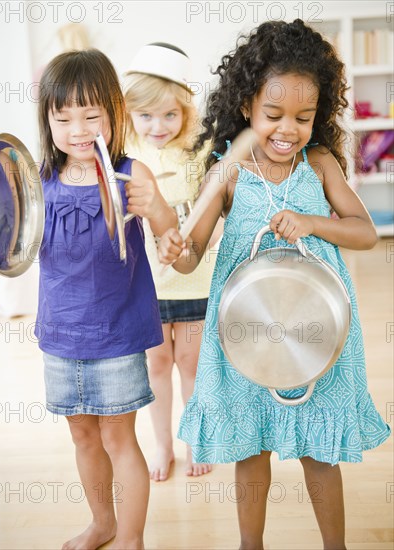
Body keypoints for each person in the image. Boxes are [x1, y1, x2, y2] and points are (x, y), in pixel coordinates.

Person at [158, 20, 391, 549]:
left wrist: (312, 222)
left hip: (315, 335)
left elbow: (365, 233)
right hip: (247, 337)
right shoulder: (229, 173)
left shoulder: (320, 163)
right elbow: (192, 254)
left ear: (319, 115)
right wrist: (179, 250)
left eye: (303, 118)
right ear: (245, 107)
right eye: (273, 115)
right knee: (250, 447)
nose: (288, 129)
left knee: (319, 452)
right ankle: (250, 544)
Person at [36, 49, 177, 550]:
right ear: (47, 120)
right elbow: (9, 239)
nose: (78, 129)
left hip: (116, 333)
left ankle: (131, 538)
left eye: (91, 116)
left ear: (114, 115)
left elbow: (169, 235)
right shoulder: (39, 182)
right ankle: (103, 523)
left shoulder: (129, 174)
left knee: (119, 439)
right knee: (83, 436)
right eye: (64, 117)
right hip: (60, 335)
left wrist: (159, 214)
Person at [123, 43, 219, 481]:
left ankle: (194, 438)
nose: (157, 126)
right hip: (148, 287)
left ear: (185, 111)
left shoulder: (200, 155)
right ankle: (162, 445)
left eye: (169, 115)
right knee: (157, 365)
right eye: (146, 116)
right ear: (131, 114)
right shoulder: (128, 159)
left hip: (197, 282)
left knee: (192, 365)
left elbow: (212, 214)